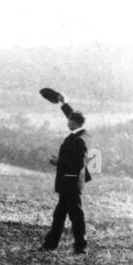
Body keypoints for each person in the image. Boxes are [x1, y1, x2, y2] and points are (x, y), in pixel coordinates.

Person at [42, 103, 91, 255]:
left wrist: (58, 161)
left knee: (75, 216)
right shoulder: (79, 135)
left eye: (69, 120)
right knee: (60, 215)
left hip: (71, 183)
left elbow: (78, 163)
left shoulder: (79, 139)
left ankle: (80, 247)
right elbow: (72, 158)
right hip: (68, 183)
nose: (67, 122)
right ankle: (52, 245)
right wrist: (63, 103)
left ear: (74, 122)